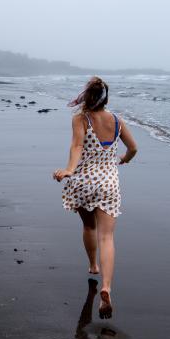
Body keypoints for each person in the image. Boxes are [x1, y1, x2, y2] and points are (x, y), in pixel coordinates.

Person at [53, 76, 138, 318]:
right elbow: (133, 148)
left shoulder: (81, 118)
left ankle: (92, 265)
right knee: (107, 237)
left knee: (89, 227)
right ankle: (107, 288)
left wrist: (69, 169)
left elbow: (77, 146)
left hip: (84, 181)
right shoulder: (117, 121)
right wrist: (123, 159)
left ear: (87, 97)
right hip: (109, 183)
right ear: (105, 98)